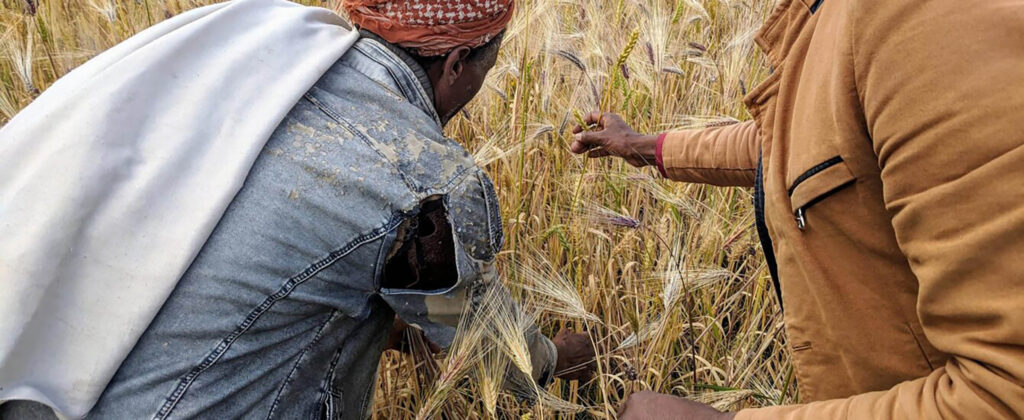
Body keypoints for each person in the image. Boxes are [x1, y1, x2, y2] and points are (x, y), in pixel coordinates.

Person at [0, 0, 593, 418]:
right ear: (458, 63)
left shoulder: (252, 59)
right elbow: (498, 358)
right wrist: (558, 358)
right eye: (483, 70)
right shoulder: (422, 183)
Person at [571, 0, 1024, 418]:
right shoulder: (839, 16)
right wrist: (644, 147)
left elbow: (1002, 393)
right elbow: (803, 138)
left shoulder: (925, 21)